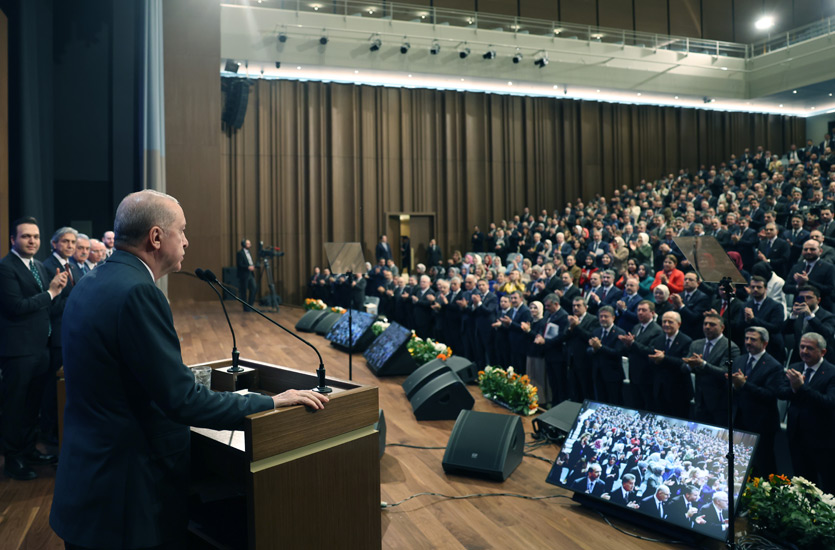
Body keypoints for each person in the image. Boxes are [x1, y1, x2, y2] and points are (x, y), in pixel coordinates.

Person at [50, 190, 328, 549]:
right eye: (181, 230)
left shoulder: (92, 280)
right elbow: (182, 400)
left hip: (87, 482)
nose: (186, 241)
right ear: (156, 237)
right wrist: (272, 402)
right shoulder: (138, 292)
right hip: (126, 496)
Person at [0, 217, 69, 480]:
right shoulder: (6, 268)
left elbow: (47, 306)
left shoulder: (38, 266)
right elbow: (16, 307)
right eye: (26, 236)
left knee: (32, 406)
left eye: (36, 236)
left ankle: (28, 450)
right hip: (18, 350)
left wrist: (58, 291)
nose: (32, 241)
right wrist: (51, 293)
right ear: (13, 239)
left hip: (41, 348)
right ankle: (13, 459)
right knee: (15, 407)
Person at [730, 327, 788, 476]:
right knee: (740, 461)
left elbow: (771, 394)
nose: (748, 342)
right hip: (740, 418)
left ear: (765, 343)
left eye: (753, 339)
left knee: (764, 463)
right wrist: (735, 385)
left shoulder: (773, 365)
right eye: (746, 338)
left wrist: (744, 384)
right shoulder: (740, 360)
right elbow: (736, 388)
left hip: (762, 423)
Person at [782, 332, 835, 494]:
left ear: (823, 352)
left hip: (822, 439)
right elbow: (780, 392)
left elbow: (829, 402)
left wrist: (801, 388)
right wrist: (794, 389)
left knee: (827, 485)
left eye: (809, 348)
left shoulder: (832, 372)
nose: (804, 351)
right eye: (802, 347)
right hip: (796, 435)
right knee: (802, 482)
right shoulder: (796, 367)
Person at [683, 313, 741, 425]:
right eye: (705, 324)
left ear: (722, 327)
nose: (707, 327)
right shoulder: (696, 344)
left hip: (719, 402)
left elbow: (725, 372)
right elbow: (684, 368)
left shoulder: (730, 347)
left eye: (712, 324)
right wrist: (690, 365)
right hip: (699, 399)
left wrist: (703, 364)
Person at [588, 306, 626, 405]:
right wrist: (593, 349)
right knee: (600, 401)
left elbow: (617, 353)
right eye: (601, 316)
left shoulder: (620, 332)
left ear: (613, 318)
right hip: (598, 373)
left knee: (614, 402)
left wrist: (600, 347)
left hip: (613, 375)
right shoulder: (596, 331)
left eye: (606, 316)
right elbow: (588, 350)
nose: (603, 319)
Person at [236, 238, 257, 310]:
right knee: (244, 291)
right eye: (248, 243)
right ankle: (245, 307)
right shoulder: (240, 253)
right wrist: (248, 267)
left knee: (254, 288)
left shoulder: (249, 252)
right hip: (244, 274)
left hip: (251, 274)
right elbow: (239, 264)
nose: (250, 245)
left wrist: (253, 266)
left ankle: (250, 306)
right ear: (244, 244)